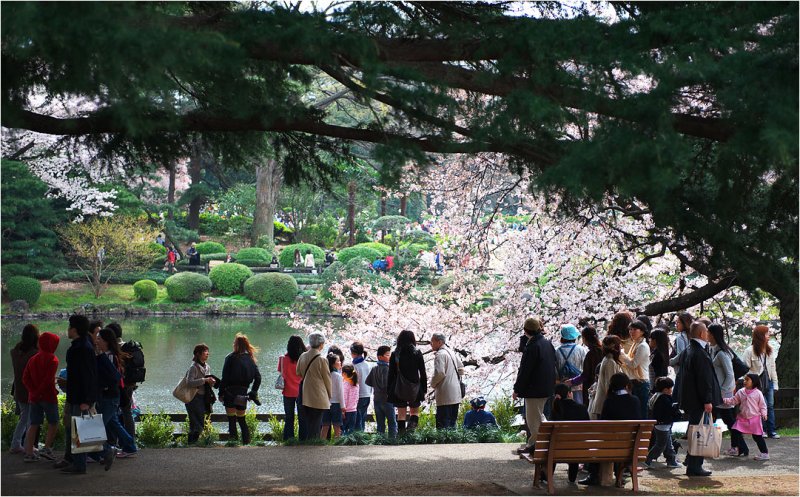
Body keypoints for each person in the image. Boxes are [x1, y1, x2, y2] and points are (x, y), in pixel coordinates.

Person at [61, 314, 113, 474]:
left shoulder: (82, 348)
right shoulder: (82, 346)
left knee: (82, 430)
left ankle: (103, 453)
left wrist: (87, 399)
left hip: (80, 396)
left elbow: (89, 376)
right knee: (82, 429)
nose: (68, 330)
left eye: (69, 327)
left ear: (75, 329)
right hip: (78, 395)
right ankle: (82, 463)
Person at [581, 373, 640, 486]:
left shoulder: (610, 401)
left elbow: (603, 425)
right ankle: (619, 476)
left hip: (611, 444)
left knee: (594, 442)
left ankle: (593, 475)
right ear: (627, 385)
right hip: (631, 445)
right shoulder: (635, 400)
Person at [680, 321, 722, 477]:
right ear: (701, 334)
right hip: (699, 400)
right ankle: (695, 466)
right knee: (699, 432)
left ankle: (691, 461)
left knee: (694, 430)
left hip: (691, 399)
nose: (708, 335)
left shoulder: (689, 350)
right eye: (706, 332)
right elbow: (704, 380)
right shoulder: (700, 353)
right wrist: (708, 400)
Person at [512, 317, 556, 454]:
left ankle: (535, 444)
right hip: (547, 387)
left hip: (534, 389)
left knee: (533, 418)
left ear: (525, 331)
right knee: (539, 415)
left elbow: (525, 370)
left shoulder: (532, 346)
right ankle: (542, 441)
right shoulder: (547, 343)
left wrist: (517, 389)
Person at [94, 328, 138, 458]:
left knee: (99, 424)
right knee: (113, 422)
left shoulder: (109, 357)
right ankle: (130, 447)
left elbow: (111, 378)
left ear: (106, 341)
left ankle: (101, 451)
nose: (97, 341)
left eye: (99, 339)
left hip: (109, 396)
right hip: (111, 396)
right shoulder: (111, 355)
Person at [21, 332, 60, 462]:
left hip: (34, 398)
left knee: (34, 423)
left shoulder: (33, 358)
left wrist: (33, 392)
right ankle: (47, 448)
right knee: (53, 422)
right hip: (48, 396)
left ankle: (29, 452)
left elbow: (25, 378)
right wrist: (39, 392)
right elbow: (48, 380)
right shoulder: (53, 359)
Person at [218, 333, 261, 444]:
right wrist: (253, 391)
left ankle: (233, 443)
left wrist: (220, 393)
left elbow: (225, 377)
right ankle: (246, 443)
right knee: (242, 420)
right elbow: (258, 378)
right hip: (243, 393)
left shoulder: (230, 357)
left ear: (236, 345)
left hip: (230, 393)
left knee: (232, 420)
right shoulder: (251, 359)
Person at [742, 325, 779, 439]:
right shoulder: (749, 351)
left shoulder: (770, 350)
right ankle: (761, 430)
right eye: (767, 333)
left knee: (770, 406)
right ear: (760, 336)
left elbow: (773, 368)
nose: (768, 336)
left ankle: (771, 430)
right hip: (756, 383)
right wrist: (749, 382)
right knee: (758, 407)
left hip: (769, 381)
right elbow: (745, 369)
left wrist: (775, 383)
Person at [387, 330, 427, 435]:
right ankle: (410, 434)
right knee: (415, 412)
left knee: (401, 414)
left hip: (399, 387)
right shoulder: (417, 353)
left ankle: (401, 436)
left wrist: (389, 390)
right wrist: (424, 389)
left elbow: (391, 374)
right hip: (415, 387)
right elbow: (423, 373)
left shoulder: (395, 354)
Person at [723, 373, 769, 460]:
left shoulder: (758, 393)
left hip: (754, 419)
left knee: (757, 437)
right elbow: (733, 400)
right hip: (742, 418)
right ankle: (735, 449)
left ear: (754, 382)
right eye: (744, 379)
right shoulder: (741, 392)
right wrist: (724, 400)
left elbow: (763, 406)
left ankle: (764, 453)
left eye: (747, 380)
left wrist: (764, 414)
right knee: (735, 430)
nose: (744, 381)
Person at [707, 323, 737, 454]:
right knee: (724, 419)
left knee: (728, 419)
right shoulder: (713, 349)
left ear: (713, 335)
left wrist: (723, 391)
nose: (706, 335)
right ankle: (736, 446)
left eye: (708, 333)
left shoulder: (722, 353)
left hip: (723, 393)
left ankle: (737, 446)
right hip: (718, 392)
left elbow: (730, 374)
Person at [9, 324, 39, 455]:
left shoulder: (15, 352)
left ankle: (18, 444)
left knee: (24, 418)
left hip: (18, 390)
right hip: (29, 390)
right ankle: (25, 446)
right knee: (29, 420)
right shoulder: (34, 354)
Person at [550, 383, 589, 483]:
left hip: (556, 449)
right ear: (569, 394)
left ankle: (546, 476)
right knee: (574, 443)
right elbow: (587, 429)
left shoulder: (556, 409)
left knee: (553, 444)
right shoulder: (582, 408)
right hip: (578, 448)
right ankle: (572, 478)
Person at [296, 332, 331, 440]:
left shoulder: (303, 356)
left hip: (305, 393)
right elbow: (327, 379)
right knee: (316, 422)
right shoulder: (322, 359)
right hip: (318, 394)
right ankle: (314, 445)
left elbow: (298, 372)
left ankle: (307, 443)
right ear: (321, 344)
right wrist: (329, 395)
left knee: (308, 421)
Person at [430, 333, 465, 429]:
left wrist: (432, 384)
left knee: (443, 422)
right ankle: (452, 443)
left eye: (432, 342)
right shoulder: (451, 352)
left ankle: (443, 443)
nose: (431, 344)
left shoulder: (440, 354)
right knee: (452, 422)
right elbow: (461, 368)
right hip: (456, 391)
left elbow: (440, 373)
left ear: (439, 342)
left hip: (445, 392)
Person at [645, 377, 681, 468]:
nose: (671, 391)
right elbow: (669, 412)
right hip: (663, 425)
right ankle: (647, 460)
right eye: (670, 388)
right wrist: (676, 410)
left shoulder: (656, 396)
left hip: (660, 424)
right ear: (665, 389)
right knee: (660, 445)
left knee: (668, 444)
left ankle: (671, 460)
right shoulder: (664, 399)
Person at [184, 344, 216, 444]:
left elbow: (205, 383)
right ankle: (192, 444)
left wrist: (211, 382)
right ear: (198, 354)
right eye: (205, 352)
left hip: (204, 397)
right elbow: (189, 382)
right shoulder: (193, 367)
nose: (207, 354)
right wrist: (205, 380)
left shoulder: (207, 366)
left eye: (207, 352)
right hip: (194, 397)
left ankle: (193, 444)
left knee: (202, 421)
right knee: (196, 422)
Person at [565, 326, 603, 408]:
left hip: (591, 387)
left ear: (585, 338)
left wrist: (572, 381)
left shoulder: (591, 354)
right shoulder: (602, 350)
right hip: (602, 385)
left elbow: (586, 374)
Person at [620, 320, 651, 419]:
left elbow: (633, 364)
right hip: (634, 381)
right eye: (630, 329)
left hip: (640, 382)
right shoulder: (636, 343)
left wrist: (622, 354)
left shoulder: (642, 346)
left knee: (641, 411)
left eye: (634, 329)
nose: (631, 332)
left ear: (642, 331)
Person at [588, 335, 623, 420]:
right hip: (605, 404)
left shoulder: (608, 360)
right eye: (619, 344)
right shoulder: (610, 362)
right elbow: (609, 385)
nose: (621, 347)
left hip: (604, 403)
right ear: (615, 347)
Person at [365, 345, 397, 438]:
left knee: (380, 423)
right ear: (380, 357)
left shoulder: (374, 368)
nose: (390, 356)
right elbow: (386, 384)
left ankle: (380, 440)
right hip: (387, 399)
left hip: (377, 399)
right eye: (387, 355)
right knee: (392, 422)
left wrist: (376, 385)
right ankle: (392, 440)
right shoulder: (388, 369)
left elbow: (368, 382)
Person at [279, 335, 306, 441]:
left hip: (288, 391)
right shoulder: (304, 359)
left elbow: (281, 372)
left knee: (289, 417)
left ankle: (288, 439)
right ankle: (303, 439)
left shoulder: (283, 359)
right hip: (301, 391)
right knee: (302, 418)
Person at [555, 324, 587, 405]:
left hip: (562, 387)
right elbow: (586, 369)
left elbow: (554, 371)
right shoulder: (581, 350)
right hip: (579, 386)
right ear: (574, 337)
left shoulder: (556, 351)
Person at [669, 311, 694, 403]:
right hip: (692, 370)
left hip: (682, 370)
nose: (676, 325)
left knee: (677, 397)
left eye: (678, 323)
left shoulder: (680, 337)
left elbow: (681, 354)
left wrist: (671, 361)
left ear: (684, 323)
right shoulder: (693, 335)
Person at [350, 341, 372, 432]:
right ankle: (361, 436)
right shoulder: (368, 364)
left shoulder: (355, 366)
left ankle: (357, 438)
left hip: (358, 395)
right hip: (367, 394)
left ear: (354, 353)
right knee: (362, 417)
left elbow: (353, 382)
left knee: (357, 419)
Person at [321, 353, 343, 440]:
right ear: (333, 364)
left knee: (325, 426)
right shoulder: (338, 376)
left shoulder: (324, 375)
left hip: (326, 403)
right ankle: (337, 443)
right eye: (338, 361)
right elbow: (341, 392)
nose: (340, 362)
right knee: (337, 426)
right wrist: (343, 406)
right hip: (336, 404)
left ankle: (321, 442)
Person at [648, 327, 671, 391]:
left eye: (650, 338)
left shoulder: (658, 355)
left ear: (655, 340)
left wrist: (655, 389)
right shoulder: (660, 352)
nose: (649, 340)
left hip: (656, 388)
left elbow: (658, 375)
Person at [341, 364, 359, 435]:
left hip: (346, 410)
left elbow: (344, 398)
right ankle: (349, 443)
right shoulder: (356, 383)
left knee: (343, 429)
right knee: (351, 429)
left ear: (344, 374)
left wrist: (343, 411)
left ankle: (343, 444)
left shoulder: (345, 384)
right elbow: (357, 398)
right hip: (354, 409)